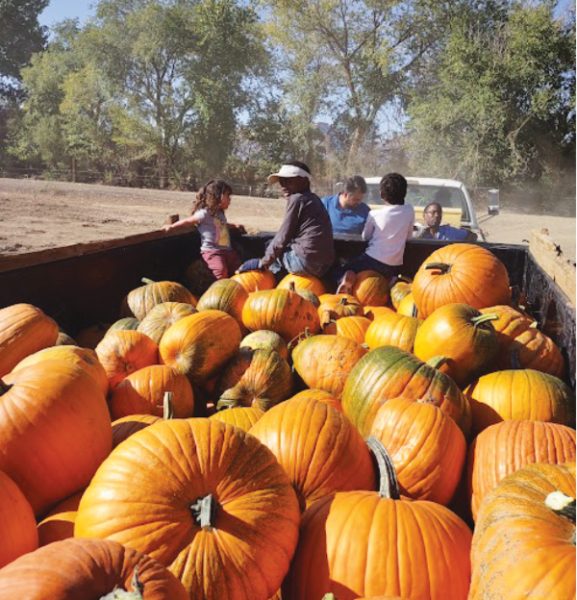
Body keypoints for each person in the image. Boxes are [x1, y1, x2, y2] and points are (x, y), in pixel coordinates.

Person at [237, 161, 335, 278]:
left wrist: (263, 262)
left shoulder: (297, 199)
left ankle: (272, 282)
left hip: (305, 263)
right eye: (281, 182)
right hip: (325, 265)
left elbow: (282, 237)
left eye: (288, 181)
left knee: (270, 247)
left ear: (304, 181)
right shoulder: (314, 199)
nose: (283, 186)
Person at [336, 172, 414, 294]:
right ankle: (391, 280)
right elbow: (409, 236)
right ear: (404, 193)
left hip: (372, 260)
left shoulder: (375, 214)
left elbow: (365, 236)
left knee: (342, 269)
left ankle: (346, 279)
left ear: (382, 194)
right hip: (395, 264)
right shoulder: (409, 211)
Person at [162, 179, 245, 279]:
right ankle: (219, 290)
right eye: (228, 196)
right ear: (218, 196)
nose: (230, 199)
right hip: (212, 252)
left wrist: (235, 225)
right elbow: (189, 221)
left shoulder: (220, 214)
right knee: (221, 272)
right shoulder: (204, 213)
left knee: (240, 269)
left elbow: (223, 225)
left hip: (227, 250)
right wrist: (171, 227)